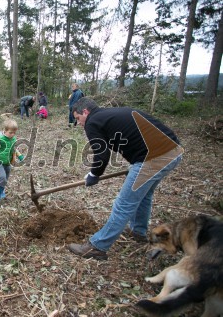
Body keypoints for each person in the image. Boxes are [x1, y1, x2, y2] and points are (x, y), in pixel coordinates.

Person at [68, 98, 183, 260]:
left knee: (123, 205)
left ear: (85, 112)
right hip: (173, 151)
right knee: (145, 195)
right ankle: (138, 231)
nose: (79, 123)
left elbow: (102, 154)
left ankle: (97, 246)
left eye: (78, 118)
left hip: (154, 157)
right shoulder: (110, 114)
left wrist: (94, 174)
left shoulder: (92, 121)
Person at [0, 119, 24, 202]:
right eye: (10, 132)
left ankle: (2, 190)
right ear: (5, 130)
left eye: (14, 133)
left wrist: (19, 156)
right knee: (2, 177)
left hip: (7, 161)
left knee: (5, 178)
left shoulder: (13, 139)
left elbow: (14, 148)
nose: (12, 134)